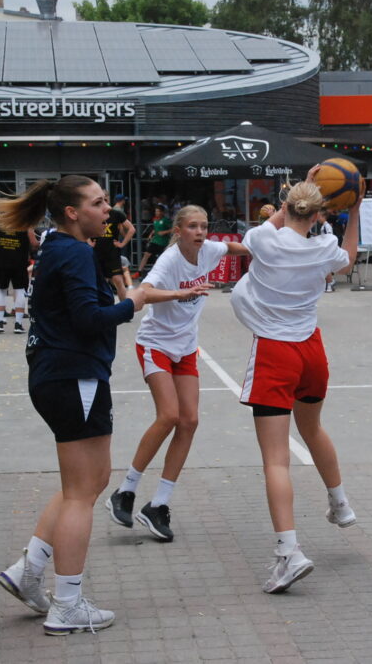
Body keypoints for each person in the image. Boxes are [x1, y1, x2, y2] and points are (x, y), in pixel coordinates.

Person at [0, 176, 145, 636]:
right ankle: (67, 604)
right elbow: (88, 319)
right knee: (82, 492)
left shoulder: (58, 246)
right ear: (73, 212)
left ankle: (29, 569)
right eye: (98, 203)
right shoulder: (73, 252)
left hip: (60, 372)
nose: (108, 209)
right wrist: (133, 303)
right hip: (72, 374)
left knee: (89, 481)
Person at [230, 172, 362, 594]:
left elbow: (272, 226)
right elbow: (350, 256)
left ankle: (290, 553)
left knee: (275, 460)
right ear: (320, 215)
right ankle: (340, 503)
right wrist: (355, 210)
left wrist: (296, 192)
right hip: (311, 351)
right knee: (313, 428)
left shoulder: (263, 239)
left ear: (285, 206)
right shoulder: (324, 246)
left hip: (275, 352)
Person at [107, 205, 248, 542]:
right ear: (178, 231)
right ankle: (125, 491)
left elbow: (238, 247)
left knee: (189, 421)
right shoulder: (170, 260)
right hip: (155, 344)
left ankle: (158, 505)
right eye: (193, 227)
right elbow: (141, 293)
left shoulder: (210, 250)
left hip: (185, 347)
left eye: (204, 226)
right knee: (169, 415)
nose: (200, 232)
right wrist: (178, 293)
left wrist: (275, 240)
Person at [0, 223, 37, 334]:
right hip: (20, 261)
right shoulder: (25, 221)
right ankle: (18, 324)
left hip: (2, 260)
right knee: (20, 290)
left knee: (1, 290)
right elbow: (33, 242)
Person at [93, 194, 135, 301]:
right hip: (97, 252)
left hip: (112, 253)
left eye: (105, 200)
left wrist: (122, 243)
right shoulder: (93, 214)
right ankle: (103, 306)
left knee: (118, 280)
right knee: (100, 282)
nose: (103, 203)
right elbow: (83, 227)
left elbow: (131, 229)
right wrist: (89, 242)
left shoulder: (116, 214)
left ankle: (125, 307)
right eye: (99, 201)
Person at [133, 203, 172, 277]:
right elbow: (155, 228)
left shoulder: (166, 220)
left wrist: (164, 232)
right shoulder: (155, 219)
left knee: (162, 258)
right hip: (155, 241)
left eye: (158, 211)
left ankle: (161, 273)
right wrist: (151, 234)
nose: (156, 213)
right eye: (155, 211)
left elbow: (173, 229)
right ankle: (139, 272)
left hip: (163, 242)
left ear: (162, 212)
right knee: (146, 254)